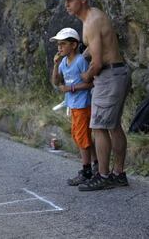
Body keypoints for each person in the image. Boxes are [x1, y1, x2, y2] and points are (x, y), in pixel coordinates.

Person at [56, 0, 131, 191]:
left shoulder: (91, 21)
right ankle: (118, 174)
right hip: (117, 72)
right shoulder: (91, 17)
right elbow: (95, 47)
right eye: (65, 0)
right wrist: (84, 53)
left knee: (98, 126)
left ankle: (104, 175)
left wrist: (85, 76)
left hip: (109, 75)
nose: (66, 4)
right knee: (113, 126)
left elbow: (97, 63)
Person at [50, 27, 98, 185]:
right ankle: (95, 165)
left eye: (63, 44)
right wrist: (56, 65)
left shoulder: (80, 61)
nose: (59, 48)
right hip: (74, 105)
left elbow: (90, 83)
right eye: (58, 45)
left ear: (74, 45)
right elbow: (56, 82)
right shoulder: (63, 61)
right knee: (80, 137)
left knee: (81, 137)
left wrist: (71, 88)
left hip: (83, 105)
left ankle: (86, 170)